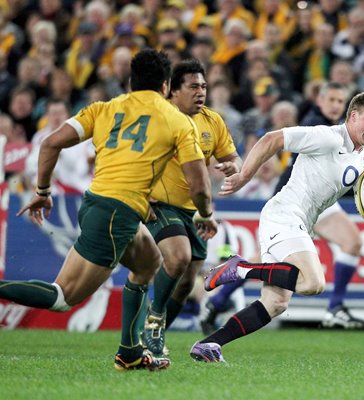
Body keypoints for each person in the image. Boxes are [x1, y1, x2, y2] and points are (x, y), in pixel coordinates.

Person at [0, 49, 217, 371]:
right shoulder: (178, 122)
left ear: (130, 81)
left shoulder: (103, 108)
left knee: (149, 262)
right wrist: (205, 212)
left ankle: (129, 352)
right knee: (63, 298)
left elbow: (49, 143)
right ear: (166, 85)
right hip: (118, 214)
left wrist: (43, 192)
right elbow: (199, 186)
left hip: (98, 204)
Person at [189, 92, 364, 362]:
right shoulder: (328, 136)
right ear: (353, 116)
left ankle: (209, 344)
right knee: (313, 283)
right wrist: (243, 176)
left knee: (276, 303)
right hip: (284, 214)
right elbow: (272, 139)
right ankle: (240, 268)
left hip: (301, 222)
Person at [142, 58, 242, 356]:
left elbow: (233, 157)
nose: (201, 92)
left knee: (187, 280)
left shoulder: (213, 121)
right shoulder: (159, 118)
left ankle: (154, 338)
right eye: (193, 86)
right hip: (158, 204)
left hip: (196, 209)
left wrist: (231, 166)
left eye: (204, 86)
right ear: (173, 90)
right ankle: (154, 320)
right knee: (178, 257)